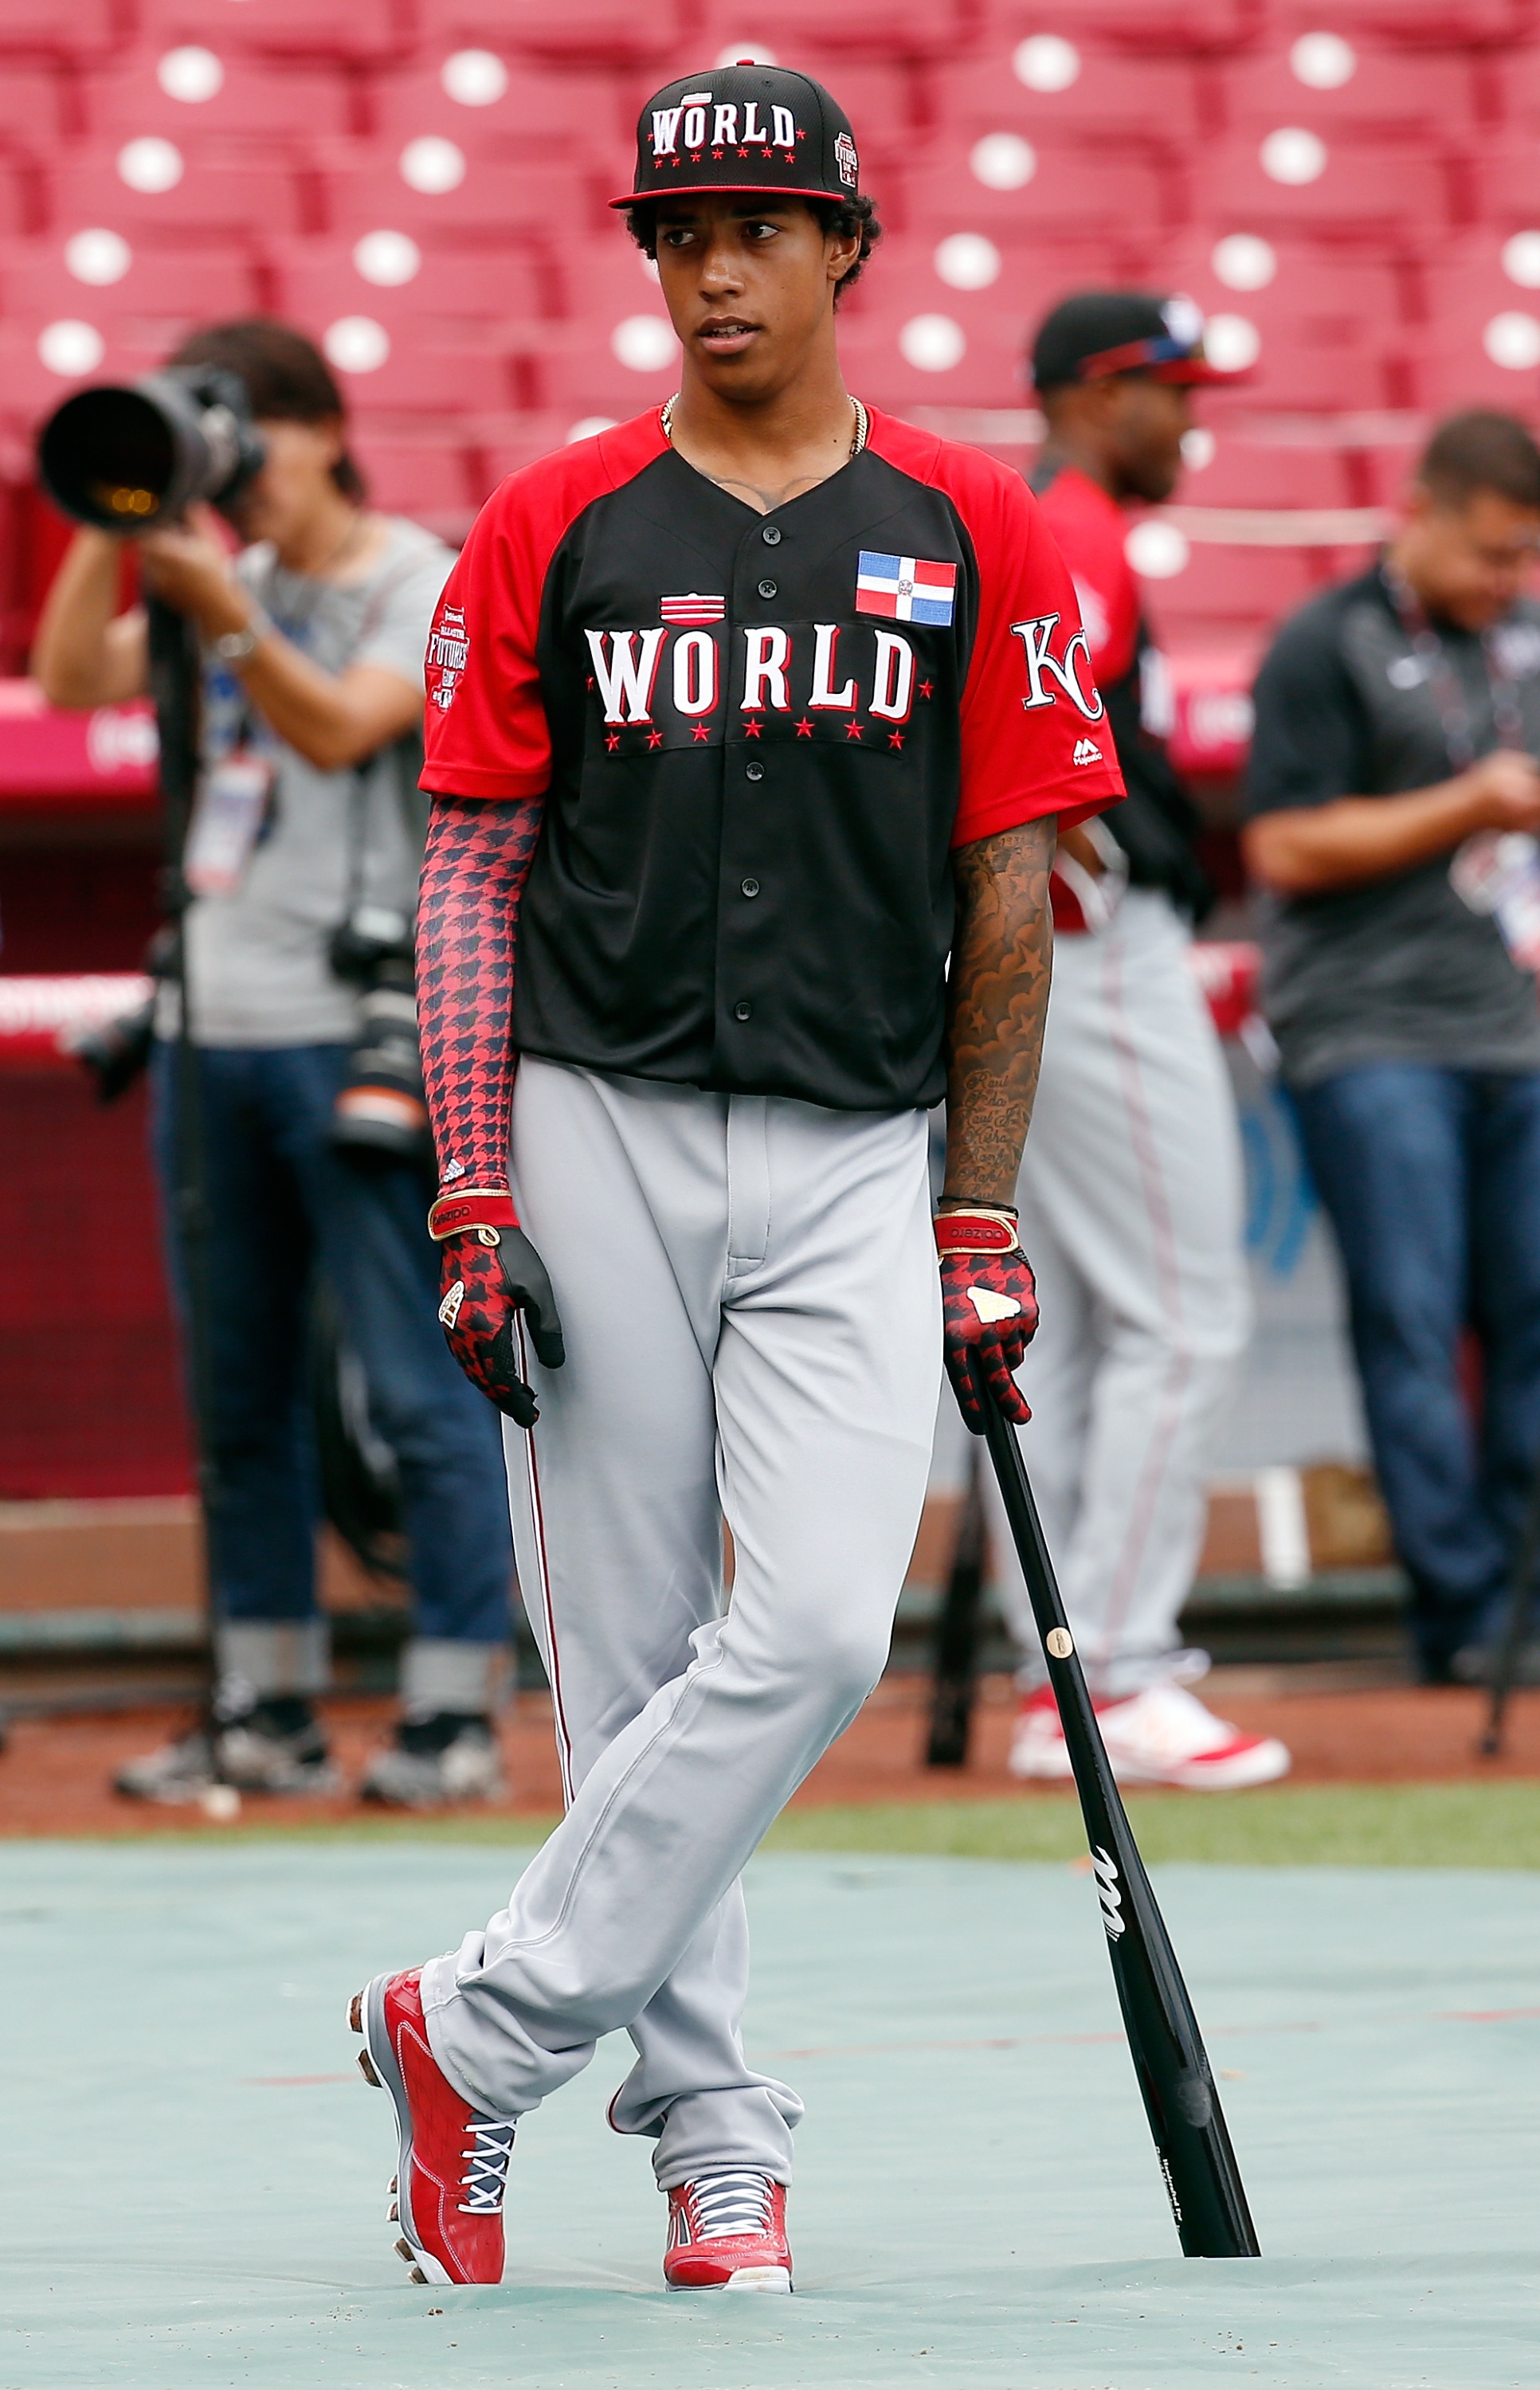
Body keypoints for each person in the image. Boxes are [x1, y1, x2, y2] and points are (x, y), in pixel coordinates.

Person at [346, 61, 1122, 2294]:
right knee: (631, 1656)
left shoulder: (975, 521)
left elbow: (1006, 898)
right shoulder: (553, 519)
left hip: (859, 1140)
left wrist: (976, 1212)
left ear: (847, 248)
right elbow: (474, 872)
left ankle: (470, 2037)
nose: (711, 269)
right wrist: (474, 1188)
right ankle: (711, 2141)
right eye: (676, 234)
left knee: (805, 1634)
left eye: (757, 228)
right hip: (592, 1112)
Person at [32, 319, 519, 1806]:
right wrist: (116, 510)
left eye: (235, 435)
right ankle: (266, 1709)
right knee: (236, 1399)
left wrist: (220, 612)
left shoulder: (410, 578)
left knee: (413, 1383)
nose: (230, 471)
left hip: (360, 1030)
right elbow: (64, 683)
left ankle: (452, 1717)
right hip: (208, 1037)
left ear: (313, 430)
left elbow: (338, 729)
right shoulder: (213, 571)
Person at [991, 292, 1285, 1791]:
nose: (1189, 417)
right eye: (1168, 390)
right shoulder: (1077, 525)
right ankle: (1112, 1669)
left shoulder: (1058, 522)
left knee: (1097, 1327)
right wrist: (1063, 868)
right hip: (1097, 968)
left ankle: (1065, 1676)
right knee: (1182, 1314)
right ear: (1096, 395)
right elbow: (1022, 744)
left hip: (1052, 967)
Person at [1244, 409, 1540, 1683]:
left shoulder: (1524, 639)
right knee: (1411, 1321)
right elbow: (1280, 849)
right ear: (1413, 511)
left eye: (1522, 558)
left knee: (1530, 1317)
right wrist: (1465, 803)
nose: (1503, 581)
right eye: (1485, 553)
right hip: (1369, 1030)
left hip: (1513, 1025)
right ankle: (1461, 1617)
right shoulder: (1328, 641)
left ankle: (1524, 1600)